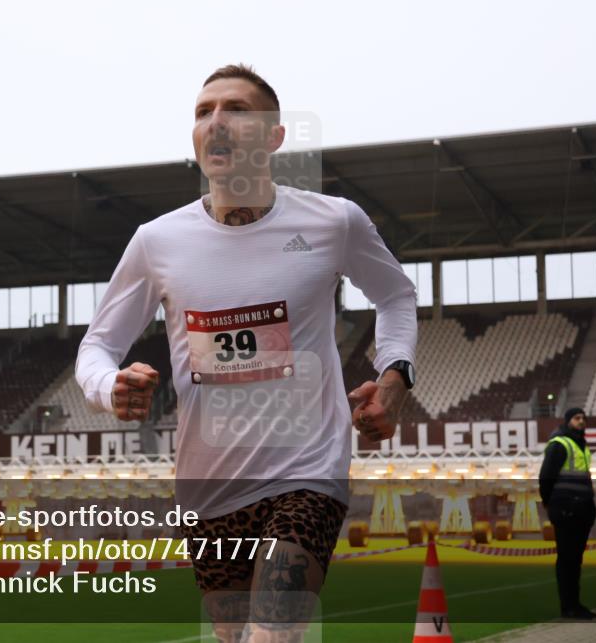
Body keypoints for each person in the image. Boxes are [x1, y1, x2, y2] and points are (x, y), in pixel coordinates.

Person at [75, 63, 418, 642]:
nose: (215, 122)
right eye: (203, 112)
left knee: (273, 634)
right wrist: (111, 387)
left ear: (275, 137)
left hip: (306, 473)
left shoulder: (333, 222)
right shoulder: (157, 241)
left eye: (235, 109)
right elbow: (97, 347)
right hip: (208, 488)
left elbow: (395, 295)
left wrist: (395, 375)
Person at [538, 407, 596, 620]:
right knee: (567, 560)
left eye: (583, 418)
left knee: (575, 560)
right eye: (577, 418)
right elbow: (545, 477)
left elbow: (585, 478)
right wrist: (550, 504)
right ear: (567, 421)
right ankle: (569, 607)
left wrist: (590, 507)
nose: (581, 421)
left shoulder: (582, 446)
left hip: (582, 509)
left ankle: (575, 605)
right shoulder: (560, 444)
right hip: (566, 509)